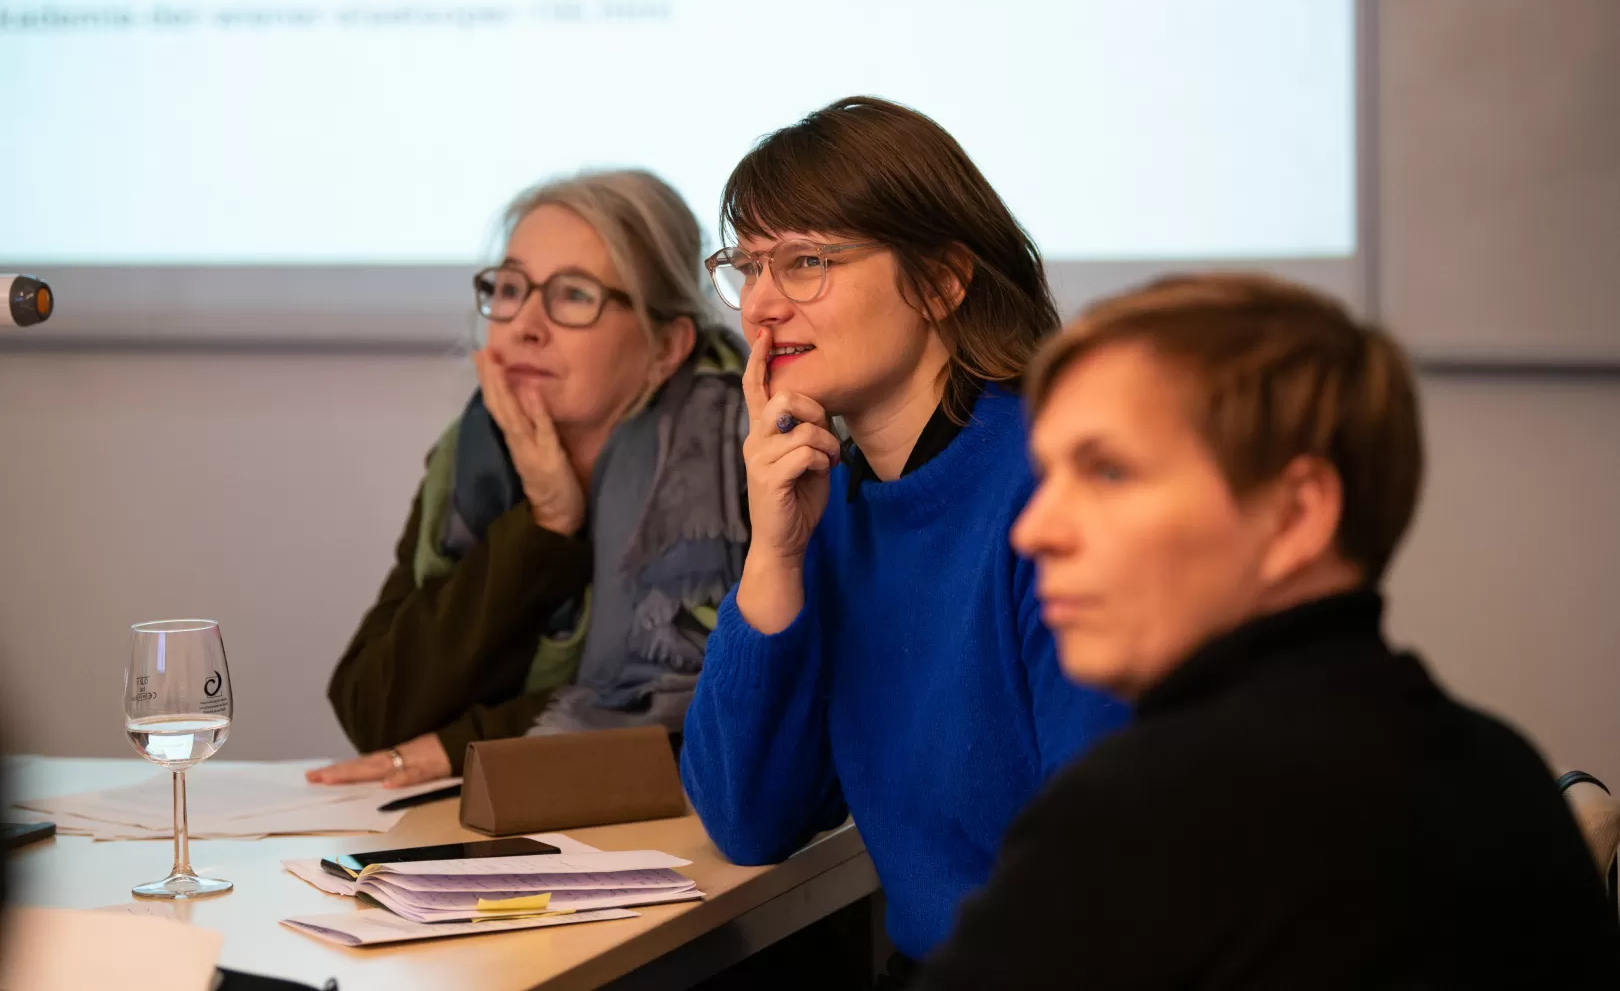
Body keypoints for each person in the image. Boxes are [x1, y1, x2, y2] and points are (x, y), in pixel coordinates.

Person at [917, 273, 1620, 989]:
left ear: (1296, 514)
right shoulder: (1507, 773)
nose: (1036, 530)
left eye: (1107, 472)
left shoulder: (1138, 823)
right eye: (1047, 475)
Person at [678, 96, 1129, 972]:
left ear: (941, 281)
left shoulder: (1055, 488)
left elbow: (1102, 871)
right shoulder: (836, 506)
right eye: (748, 267)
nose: (762, 308)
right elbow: (748, 818)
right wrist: (773, 558)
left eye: (805, 261)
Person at [309, 169, 749, 788]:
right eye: (511, 288)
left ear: (666, 346)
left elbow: (709, 710)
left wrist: (471, 744)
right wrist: (544, 526)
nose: (525, 325)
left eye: (573, 295)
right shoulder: (473, 460)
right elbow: (376, 708)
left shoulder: (743, 456)